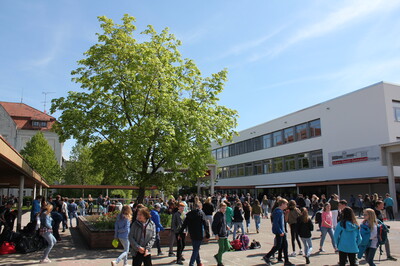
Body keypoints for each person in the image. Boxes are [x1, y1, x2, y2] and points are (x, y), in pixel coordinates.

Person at [263, 199, 294, 266]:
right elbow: (275, 223)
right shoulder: (278, 212)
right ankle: (267, 256)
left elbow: (283, 221)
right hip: (279, 232)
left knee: (285, 246)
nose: (286, 205)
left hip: (283, 231)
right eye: (286, 204)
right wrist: (280, 231)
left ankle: (286, 261)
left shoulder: (281, 211)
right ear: (282, 204)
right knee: (278, 246)